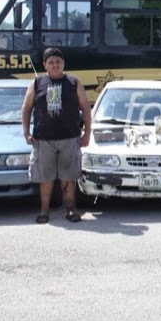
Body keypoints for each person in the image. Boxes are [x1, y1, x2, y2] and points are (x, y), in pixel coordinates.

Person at [22, 48, 92, 224]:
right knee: (45, 179)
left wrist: (87, 133)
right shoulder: (37, 83)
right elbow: (26, 108)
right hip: (43, 139)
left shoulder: (74, 82)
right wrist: (26, 132)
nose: (55, 65)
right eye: (51, 62)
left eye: (58, 62)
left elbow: (85, 109)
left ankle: (71, 210)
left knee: (69, 177)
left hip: (70, 138)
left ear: (63, 64)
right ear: (45, 64)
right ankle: (44, 211)